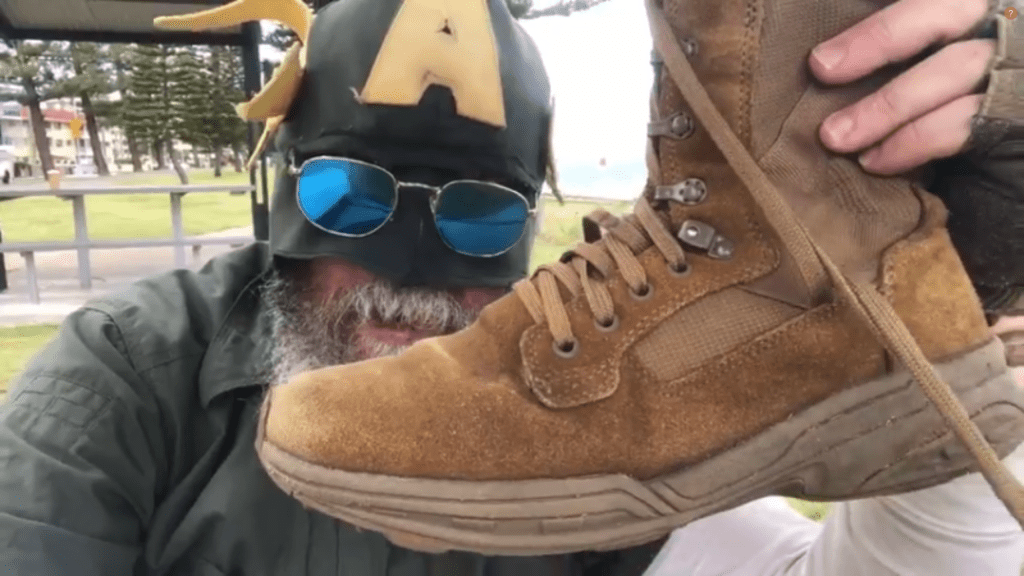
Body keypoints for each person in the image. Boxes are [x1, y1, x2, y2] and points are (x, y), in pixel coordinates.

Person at [0, 1, 1021, 575]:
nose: (408, 279)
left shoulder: (575, 396)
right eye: (350, 199)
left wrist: (952, 282)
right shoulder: (128, 378)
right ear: (284, 192)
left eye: (480, 219)